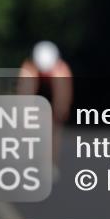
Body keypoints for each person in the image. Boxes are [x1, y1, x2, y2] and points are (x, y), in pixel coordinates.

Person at [18, 41, 73, 170]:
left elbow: (63, 96)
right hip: (36, 93)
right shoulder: (28, 68)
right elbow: (23, 95)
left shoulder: (61, 70)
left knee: (56, 127)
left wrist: (60, 113)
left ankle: (52, 163)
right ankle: (28, 159)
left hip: (52, 93)